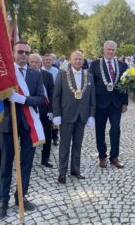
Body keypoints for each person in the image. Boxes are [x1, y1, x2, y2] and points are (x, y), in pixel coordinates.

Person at [0, 41, 45, 219]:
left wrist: (23, 99)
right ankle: (2, 200)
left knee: (26, 162)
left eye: (27, 52)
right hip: (8, 123)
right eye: (20, 52)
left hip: (28, 124)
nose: (24, 55)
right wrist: (6, 96)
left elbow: (41, 98)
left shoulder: (35, 74)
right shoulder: (5, 73)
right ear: (13, 53)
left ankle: (20, 196)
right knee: (6, 163)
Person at [53, 51, 95, 184]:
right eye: (75, 59)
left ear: (83, 61)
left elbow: (92, 97)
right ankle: (62, 172)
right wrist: (57, 114)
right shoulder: (62, 74)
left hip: (82, 115)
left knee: (77, 145)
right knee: (64, 145)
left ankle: (75, 169)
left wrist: (91, 115)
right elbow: (56, 97)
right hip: (66, 115)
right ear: (70, 60)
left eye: (80, 59)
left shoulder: (88, 76)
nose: (78, 61)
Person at [89, 40, 128, 169]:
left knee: (115, 129)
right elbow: (91, 86)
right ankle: (102, 156)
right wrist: (91, 105)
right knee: (100, 130)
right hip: (100, 104)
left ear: (115, 51)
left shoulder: (122, 65)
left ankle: (114, 157)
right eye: (108, 49)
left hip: (116, 104)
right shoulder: (95, 65)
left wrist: (125, 102)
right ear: (104, 50)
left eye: (113, 50)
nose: (110, 52)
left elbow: (125, 85)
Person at [29, 54, 54, 168]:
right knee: (29, 137)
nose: (33, 64)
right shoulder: (25, 75)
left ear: (40, 63)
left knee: (47, 136)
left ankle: (45, 159)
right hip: (30, 111)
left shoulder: (47, 76)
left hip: (44, 111)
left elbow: (52, 94)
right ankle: (27, 159)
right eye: (32, 62)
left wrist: (51, 110)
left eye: (36, 62)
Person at [42, 54, 60, 146]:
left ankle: (55, 136)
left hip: (54, 96)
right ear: (43, 61)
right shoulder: (40, 70)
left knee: (54, 118)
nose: (48, 61)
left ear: (52, 61)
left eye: (49, 60)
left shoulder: (56, 71)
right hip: (43, 98)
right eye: (46, 60)